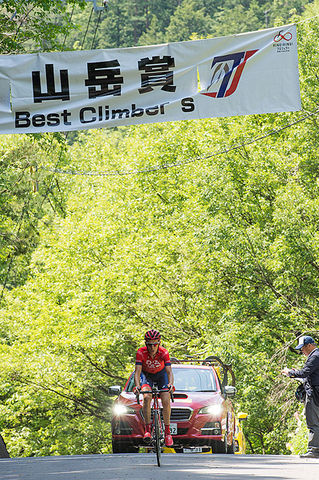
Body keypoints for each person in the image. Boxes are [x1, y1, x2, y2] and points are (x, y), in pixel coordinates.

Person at [133, 329, 174, 447]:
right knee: (146, 397)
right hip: (147, 376)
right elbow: (137, 372)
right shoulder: (141, 352)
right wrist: (137, 386)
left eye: (155, 344)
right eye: (149, 345)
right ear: (146, 344)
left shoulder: (164, 352)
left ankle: (167, 433)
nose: (152, 347)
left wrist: (170, 384)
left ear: (159, 343)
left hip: (162, 376)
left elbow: (169, 372)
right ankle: (147, 429)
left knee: (165, 398)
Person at [282, 335, 319, 458]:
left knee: (313, 421)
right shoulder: (315, 356)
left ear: (309, 345)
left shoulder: (315, 356)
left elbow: (305, 373)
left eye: (302, 348)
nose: (301, 351)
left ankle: (314, 450)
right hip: (314, 392)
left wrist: (290, 372)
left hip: (314, 394)